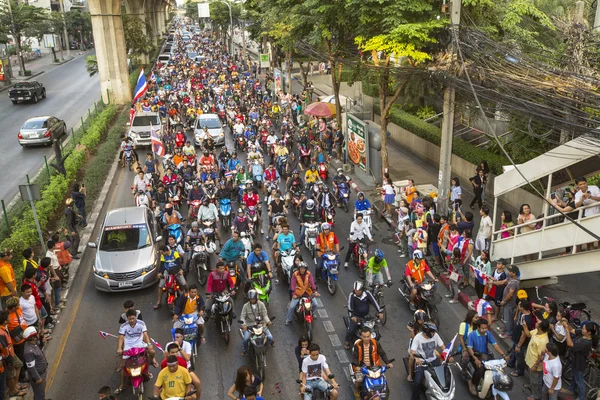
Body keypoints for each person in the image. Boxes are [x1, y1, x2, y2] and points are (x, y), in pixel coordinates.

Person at [116, 309, 157, 394]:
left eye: (133, 318)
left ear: (136, 317)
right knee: (124, 365)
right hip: (128, 346)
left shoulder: (141, 323)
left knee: (152, 352)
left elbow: (145, 334)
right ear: (127, 318)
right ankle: (122, 384)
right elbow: (121, 337)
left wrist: (149, 344)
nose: (132, 320)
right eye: (130, 319)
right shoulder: (123, 326)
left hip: (140, 344)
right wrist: (119, 348)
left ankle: (147, 368)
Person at [467, 318, 509, 394]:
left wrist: (503, 355)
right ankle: (472, 383)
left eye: (486, 328)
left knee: (496, 368)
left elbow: (495, 345)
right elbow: (469, 348)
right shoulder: (472, 335)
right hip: (475, 355)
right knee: (480, 369)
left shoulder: (488, 334)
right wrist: (475, 358)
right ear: (478, 327)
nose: (484, 330)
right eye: (482, 328)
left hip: (485, 355)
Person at [560, 321, 598, 400]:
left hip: (580, 363)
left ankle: (581, 397)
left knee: (579, 381)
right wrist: (567, 324)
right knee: (574, 376)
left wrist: (567, 331)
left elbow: (570, 344)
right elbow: (573, 330)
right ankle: (571, 389)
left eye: (583, 329)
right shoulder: (584, 333)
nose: (582, 329)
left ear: (589, 332)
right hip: (575, 360)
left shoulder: (586, 343)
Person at [351, 326, 393, 395]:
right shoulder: (357, 345)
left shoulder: (376, 343)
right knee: (359, 380)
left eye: (368, 336)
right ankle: (356, 391)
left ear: (370, 335)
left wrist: (387, 362)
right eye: (364, 337)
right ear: (361, 337)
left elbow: (382, 353)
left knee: (383, 380)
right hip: (362, 367)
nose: (366, 338)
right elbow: (354, 357)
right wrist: (357, 366)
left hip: (375, 366)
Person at [408, 322, 445, 399]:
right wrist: (416, 358)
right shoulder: (417, 338)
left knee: (443, 378)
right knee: (417, 382)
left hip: (434, 360)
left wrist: (448, 354)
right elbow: (412, 352)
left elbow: (442, 347)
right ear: (427, 331)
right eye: (432, 331)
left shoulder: (435, 335)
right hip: (422, 362)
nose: (434, 333)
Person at [344, 281, 384, 349]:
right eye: (355, 290)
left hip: (366, 315)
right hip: (356, 316)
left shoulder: (367, 293)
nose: (357, 292)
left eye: (358, 290)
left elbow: (374, 302)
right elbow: (350, 307)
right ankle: (347, 341)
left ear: (362, 290)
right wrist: (352, 316)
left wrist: (380, 311)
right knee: (351, 330)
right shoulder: (352, 295)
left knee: (374, 328)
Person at [240, 290, 273, 355]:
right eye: (251, 299)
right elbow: (242, 316)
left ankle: (266, 347)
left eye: (253, 299)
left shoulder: (261, 304)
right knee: (245, 339)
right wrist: (243, 324)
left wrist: (268, 321)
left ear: (256, 298)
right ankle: (245, 350)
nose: (252, 300)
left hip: (261, 324)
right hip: (250, 326)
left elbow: (265, 315)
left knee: (270, 337)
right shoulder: (245, 306)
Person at [508, 299, 536, 378]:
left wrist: (519, 345)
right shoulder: (522, 313)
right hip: (516, 337)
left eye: (519, 305)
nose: (518, 306)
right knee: (514, 351)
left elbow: (524, 335)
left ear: (522, 307)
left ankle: (519, 371)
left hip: (521, 342)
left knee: (520, 356)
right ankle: (511, 363)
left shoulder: (526, 320)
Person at [524, 320, 550, 400]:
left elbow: (541, 356)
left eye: (538, 323)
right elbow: (528, 334)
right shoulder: (536, 331)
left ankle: (536, 395)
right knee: (533, 378)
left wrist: (535, 366)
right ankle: (532, 387)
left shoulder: (543, 341)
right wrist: (525, 327)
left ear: (540, 327)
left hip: (536, 364)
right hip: (530, 361)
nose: (536, 322)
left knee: (536, 381)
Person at [23, 327, 47, 400]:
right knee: (39, 394)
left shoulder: (34, 343)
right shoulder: (28, 351)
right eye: (37, 334)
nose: (38, 334)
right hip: (39, 374)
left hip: (42, 371)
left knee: (40, 392)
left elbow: (40, 348)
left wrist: (42, 341)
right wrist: (37, 378)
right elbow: (31, 367)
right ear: (33, 338)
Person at [498, 265, 520, 339]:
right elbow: (502, 282)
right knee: (506, 317)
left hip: (510, 303)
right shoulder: (510, 279)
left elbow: (510, 294)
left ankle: (508, 332)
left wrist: (504, 301)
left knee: (508, 318)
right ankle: (506, 328)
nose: (508, 272)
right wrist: (492, 281)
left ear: (514, 273)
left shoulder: (514, 283)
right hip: (507, 303)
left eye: (510, 271)